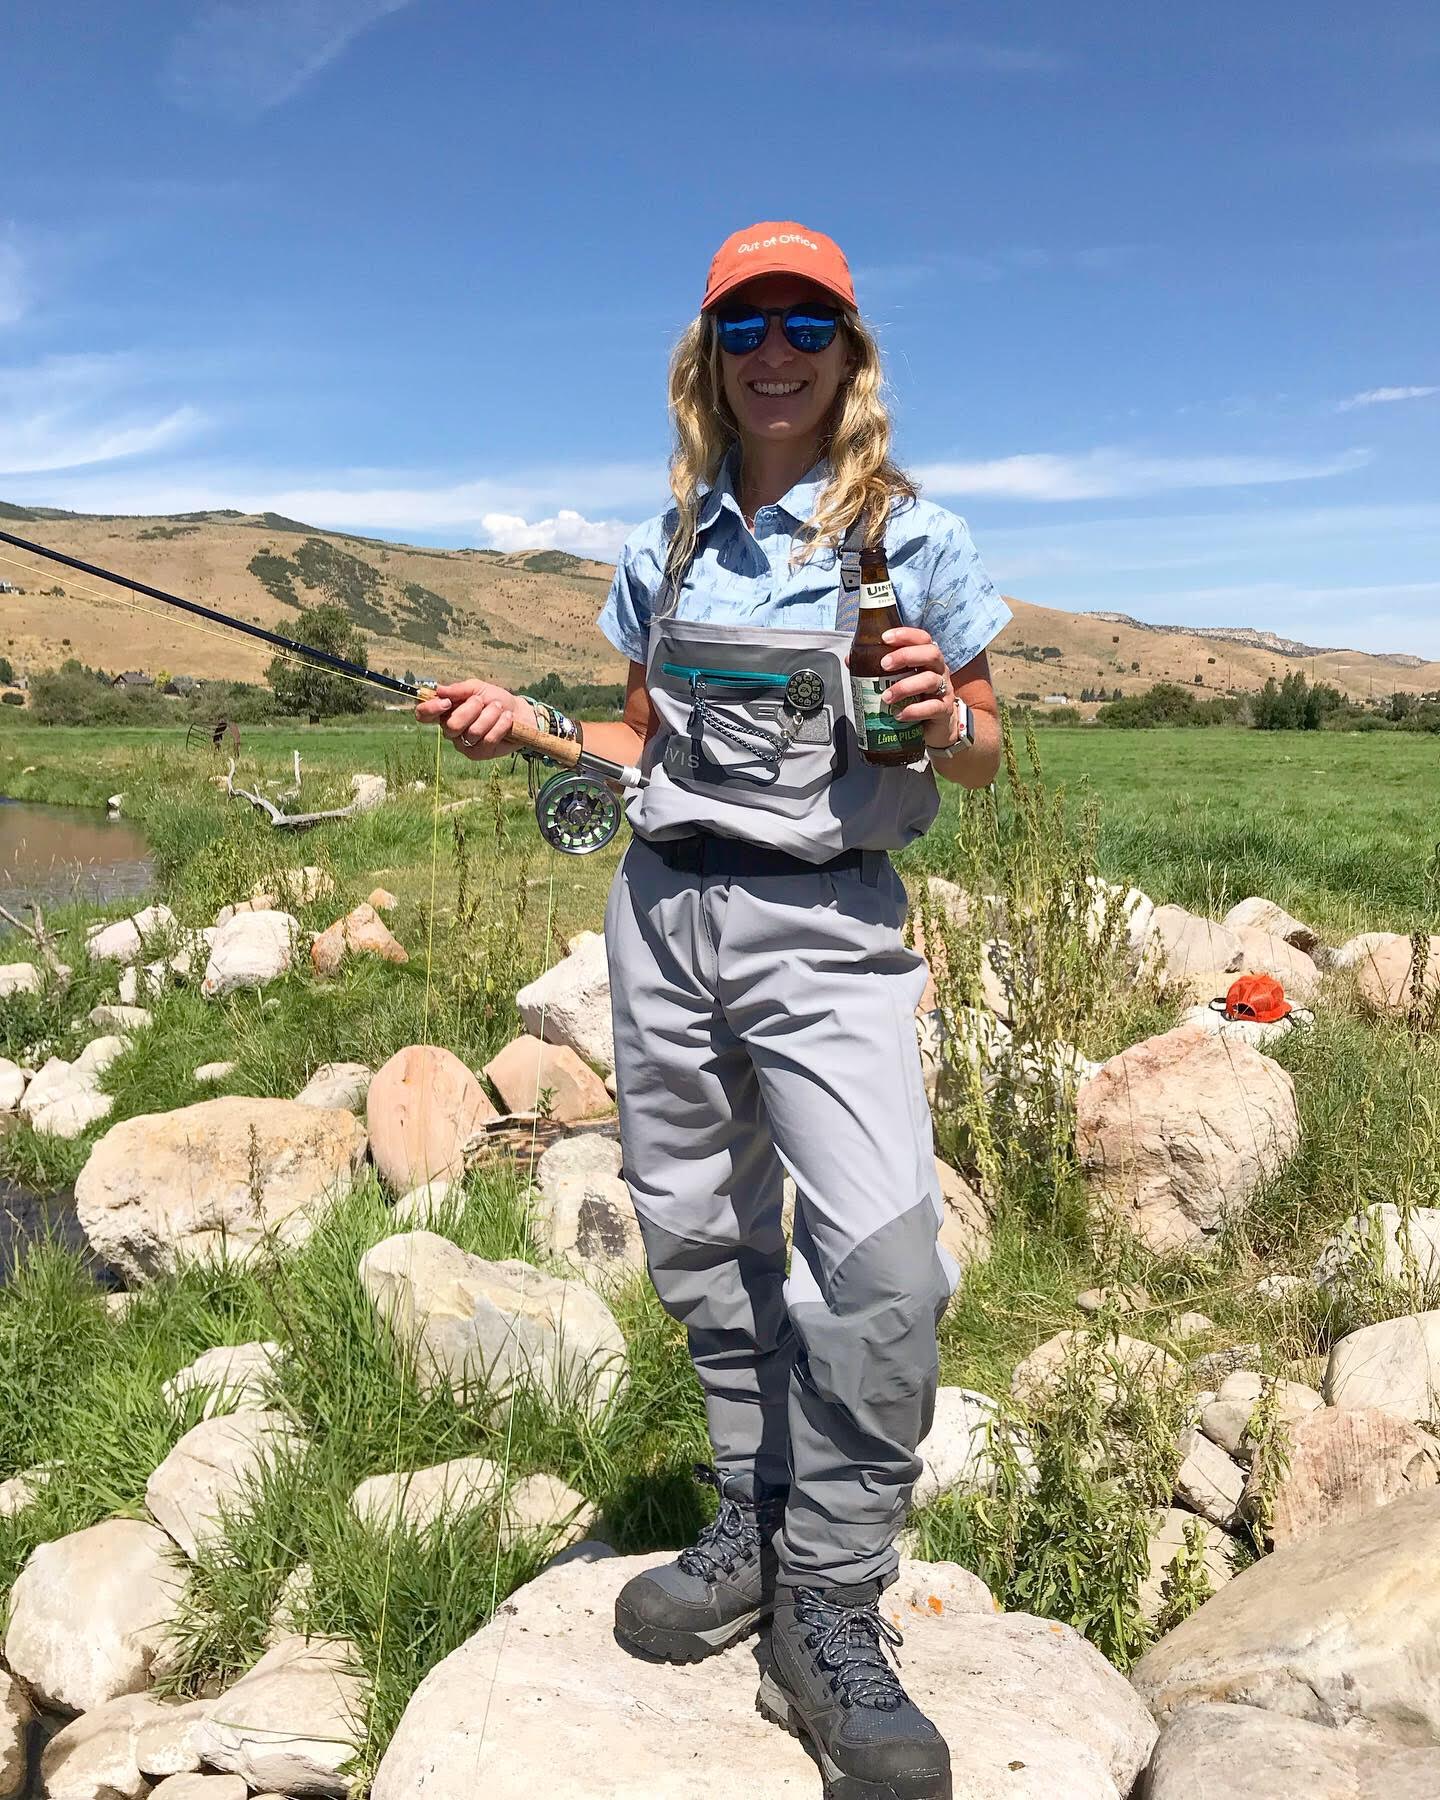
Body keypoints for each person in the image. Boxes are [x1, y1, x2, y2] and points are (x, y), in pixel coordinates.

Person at [419, 220, 1010, 1800]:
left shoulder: (918, 540)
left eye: (805, 325)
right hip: (661, 915)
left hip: (828, 928)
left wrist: (950, 715)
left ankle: (831, 1595)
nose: (774, 353)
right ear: (708, 354)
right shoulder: (663, 545)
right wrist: (519, 734)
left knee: (885, 1267)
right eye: (744, 325)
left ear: (849, 354)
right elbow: (635, 750)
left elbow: (984, 750)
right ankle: (753, 1518)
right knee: (697, 1235)